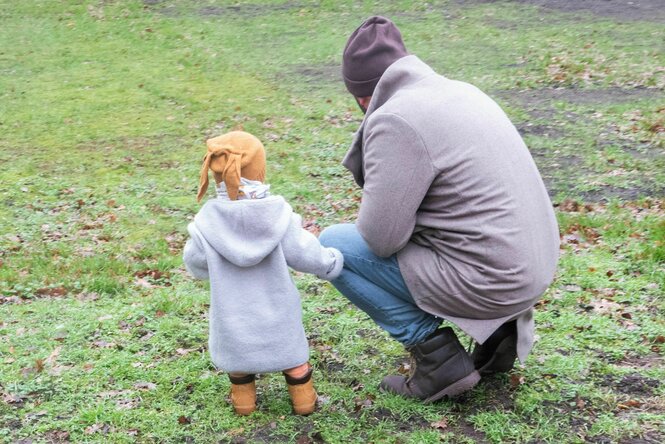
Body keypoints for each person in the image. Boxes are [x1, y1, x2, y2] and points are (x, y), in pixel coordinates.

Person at [319, 16, 559, 403]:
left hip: (493, 280)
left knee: (335, 247)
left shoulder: (396, 118)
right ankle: (499, 333)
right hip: (531, 269)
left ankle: (438, 359)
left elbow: (380, 239)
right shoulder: (462, 91)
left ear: (363, 96)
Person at [183, 131, 344, 415]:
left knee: (239, 363)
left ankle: (244, 402)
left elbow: (196, 264)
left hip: (233, 317)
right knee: (294, 361)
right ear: (259, 169)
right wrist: (330, 262)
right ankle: (303, 401)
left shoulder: (206, 224)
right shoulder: (278, 216)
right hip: (278, 313)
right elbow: (304, 253)